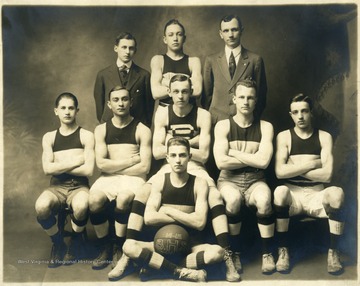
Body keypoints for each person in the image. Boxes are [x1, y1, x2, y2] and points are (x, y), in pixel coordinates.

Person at [123, 137, 225, 282]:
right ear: (167, 158)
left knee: (217, 252)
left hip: (190, 247)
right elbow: (149, 218)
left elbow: (200, 222)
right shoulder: (159, 181)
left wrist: (168, 210)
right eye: (173, 155)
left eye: (182, 155)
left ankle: (158, 269)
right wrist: (189, 217)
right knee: (128, 246)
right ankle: (180, 272)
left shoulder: (200, 183)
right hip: (160, 246)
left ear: (189, 157)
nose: (178, 160)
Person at [273, 93, 345, 275]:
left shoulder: (324, 136)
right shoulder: (284, 137)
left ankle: (333, 252)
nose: (300, 116)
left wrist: (294, 167)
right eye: (295, 112)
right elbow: (280, 172)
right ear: (290, 115)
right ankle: (283, 251)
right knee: (280, 191)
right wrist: (313, 163)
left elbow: (327, 175)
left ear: (311, 112)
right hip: (293, 197)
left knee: (337, 193)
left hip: (316, 195)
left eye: (304, 111)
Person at [214, 79, 276, 274]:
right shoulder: (223, 125)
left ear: (256, 100)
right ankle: (235, 252)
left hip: (256, 180)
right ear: (234, 99)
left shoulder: (265, 126)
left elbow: (264, 162)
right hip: (228, 180)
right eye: (241, 97)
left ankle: (267, 254)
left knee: (265, 200)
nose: (245, 101)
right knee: (232, 200)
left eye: (250, 97)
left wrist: (234, 153)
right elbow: (221, 163)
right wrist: (253, 158)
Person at [88, 86, 152, 277]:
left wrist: (114, 165)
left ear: (131, 102)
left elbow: (145, 168)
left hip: (135, 179)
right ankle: (104, 245)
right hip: (109, 178)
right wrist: (131, 160)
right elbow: (101, 166)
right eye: (116, 100)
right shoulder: (101, 129)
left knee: (124, 199)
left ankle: (119, 245)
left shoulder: (142, 129)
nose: (121, 103)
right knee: (93, 200)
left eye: (124, 99)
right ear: (109, 104)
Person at [35, 92, 95, 268]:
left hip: (79, 187)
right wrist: (77, 160)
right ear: (56, 111)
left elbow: (89, 170)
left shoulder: (86, 135)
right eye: (63, 108)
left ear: (77, 111)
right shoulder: (49, 137)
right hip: (56, 187)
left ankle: (75, 242)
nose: (67, 112)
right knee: (41, 207)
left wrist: (59, 165)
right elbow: (47, 169)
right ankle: (58, 243)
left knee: (82, 205)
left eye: (71, 108)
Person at [203, 14, 267, 124]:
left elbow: (261, 95)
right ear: (220, 34)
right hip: (216, 121)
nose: (230, 35)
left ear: (241, 31)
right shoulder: (211, 60)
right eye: (226, 31)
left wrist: (250, 118)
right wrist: (213, 117)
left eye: (234, 30)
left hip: (245, 122)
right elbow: (206, 96)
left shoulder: (255, 60)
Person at [94, 32, 153, 126]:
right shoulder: (103, 75)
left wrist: (144, 126)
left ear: (135, 50)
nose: (127, 52)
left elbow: (149, 107)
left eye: (131, 48)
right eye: (124, 47)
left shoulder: (144, 75)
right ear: (116, 48)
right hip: (110, 126)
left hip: (136, 126)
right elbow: (100, 107)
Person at [150, 19, 202, 108]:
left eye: (179, 34)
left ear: (184, 38)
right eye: (171, 35)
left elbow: (197, 91)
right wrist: (186, 87)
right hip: (165, 113)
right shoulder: (158, 60)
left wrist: (165, 81)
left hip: (189, 112)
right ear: (165, 39)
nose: (175, 38)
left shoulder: (193, 61)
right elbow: (156, 93)